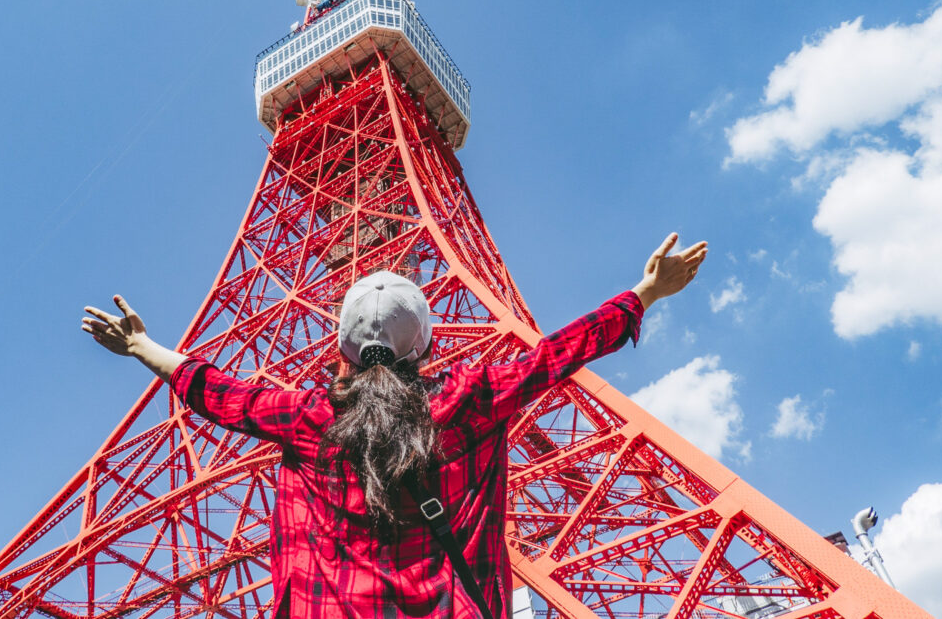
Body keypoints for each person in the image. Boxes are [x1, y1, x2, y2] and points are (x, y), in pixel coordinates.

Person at [83, 232, 707, 618]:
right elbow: (558, 353)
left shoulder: (310, 418)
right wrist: (645, 292)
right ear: (426, 346)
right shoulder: (471, 400)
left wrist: (144, 347)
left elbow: (221, 392)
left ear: (343, 352)